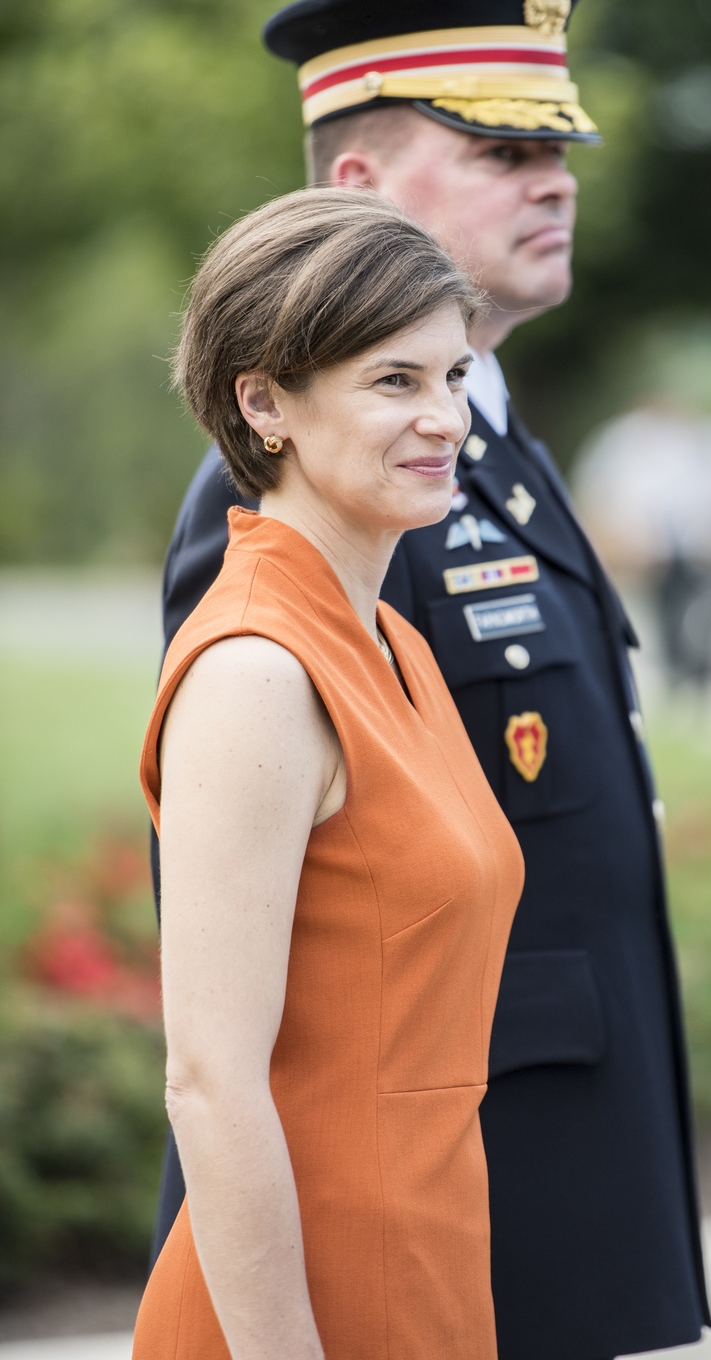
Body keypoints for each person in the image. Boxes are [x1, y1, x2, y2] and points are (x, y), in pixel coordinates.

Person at [153, 0, 711, 1359]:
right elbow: (227, 1051)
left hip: (479, 1184)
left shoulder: (434, 519)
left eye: (448, 377)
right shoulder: (278, 543)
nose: (557, 178)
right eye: (501, 147)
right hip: (368, 1221)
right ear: (268, 407)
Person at [135, 186, 523, 1359]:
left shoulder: (388, 640)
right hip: (304, 1293)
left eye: (452, 377)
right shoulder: (258, 668)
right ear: (264, 401)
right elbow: (208, 1079)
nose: (445, 418)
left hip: (425, 1247)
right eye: (391, 381)